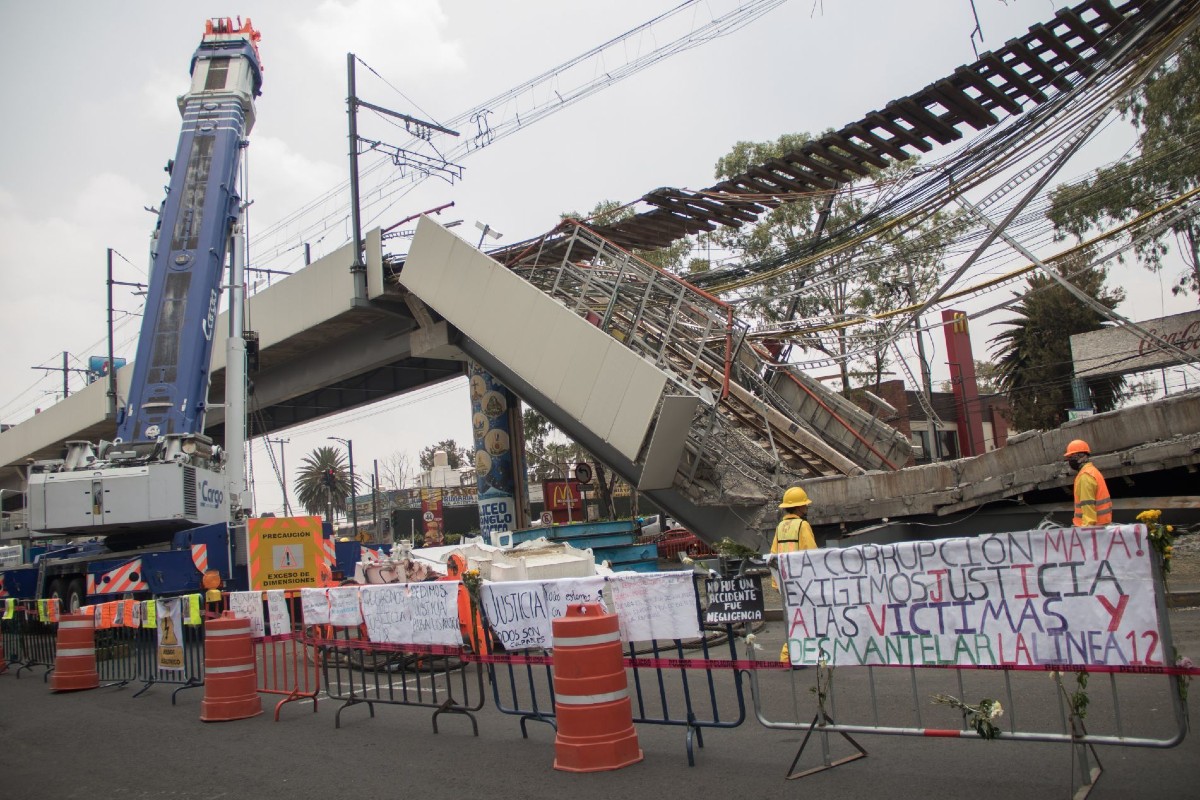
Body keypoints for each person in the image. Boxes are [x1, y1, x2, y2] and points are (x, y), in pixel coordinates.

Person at [771, 485, 817, 665]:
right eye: (804, 505)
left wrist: (775, 582)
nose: (806, 508)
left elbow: (773, 553)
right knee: (803, 618)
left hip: (783, 581)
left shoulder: (780, 527)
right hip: (800, 581)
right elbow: (811, 553)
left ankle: (793, 655)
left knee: (794, 617)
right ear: (798, 507)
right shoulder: (802, 526)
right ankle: (790, 656)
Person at [1064, 439, 1112, 526]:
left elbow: (1088, 508)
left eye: (1071, 457)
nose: (1070, 461)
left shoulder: (1085, 476)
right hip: (1102, 525)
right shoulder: (1093, 471)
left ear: (1081, 456)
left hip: (1093, 529)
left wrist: (1086, 533)